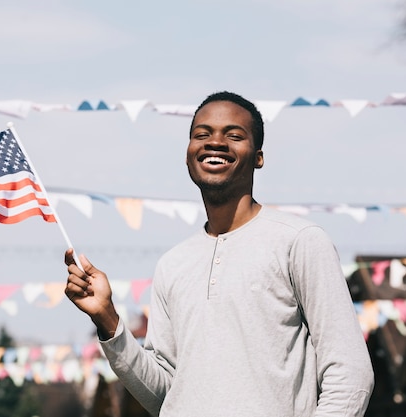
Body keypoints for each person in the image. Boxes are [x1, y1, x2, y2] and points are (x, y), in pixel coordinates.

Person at [65, 91, 374, 416]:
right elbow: (165, 394)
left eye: (234, 135)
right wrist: (107, 319)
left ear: (258, 156)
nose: (215, 142)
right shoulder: (173, 265)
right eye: (202, 134)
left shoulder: (300, 242)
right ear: (187, 156)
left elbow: (350, 374)